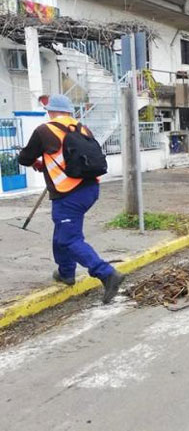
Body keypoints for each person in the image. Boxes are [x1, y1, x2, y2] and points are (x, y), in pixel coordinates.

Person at [17, 94, 124, 303]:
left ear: (50, 111)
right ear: (69, 112)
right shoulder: (82, 129)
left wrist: (37, 163)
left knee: (69, 239)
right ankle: (66, 272)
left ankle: (107, 274)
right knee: (62, 233)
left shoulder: (44, 130)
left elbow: (24, 158)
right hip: (90, 188)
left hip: (68, 194)